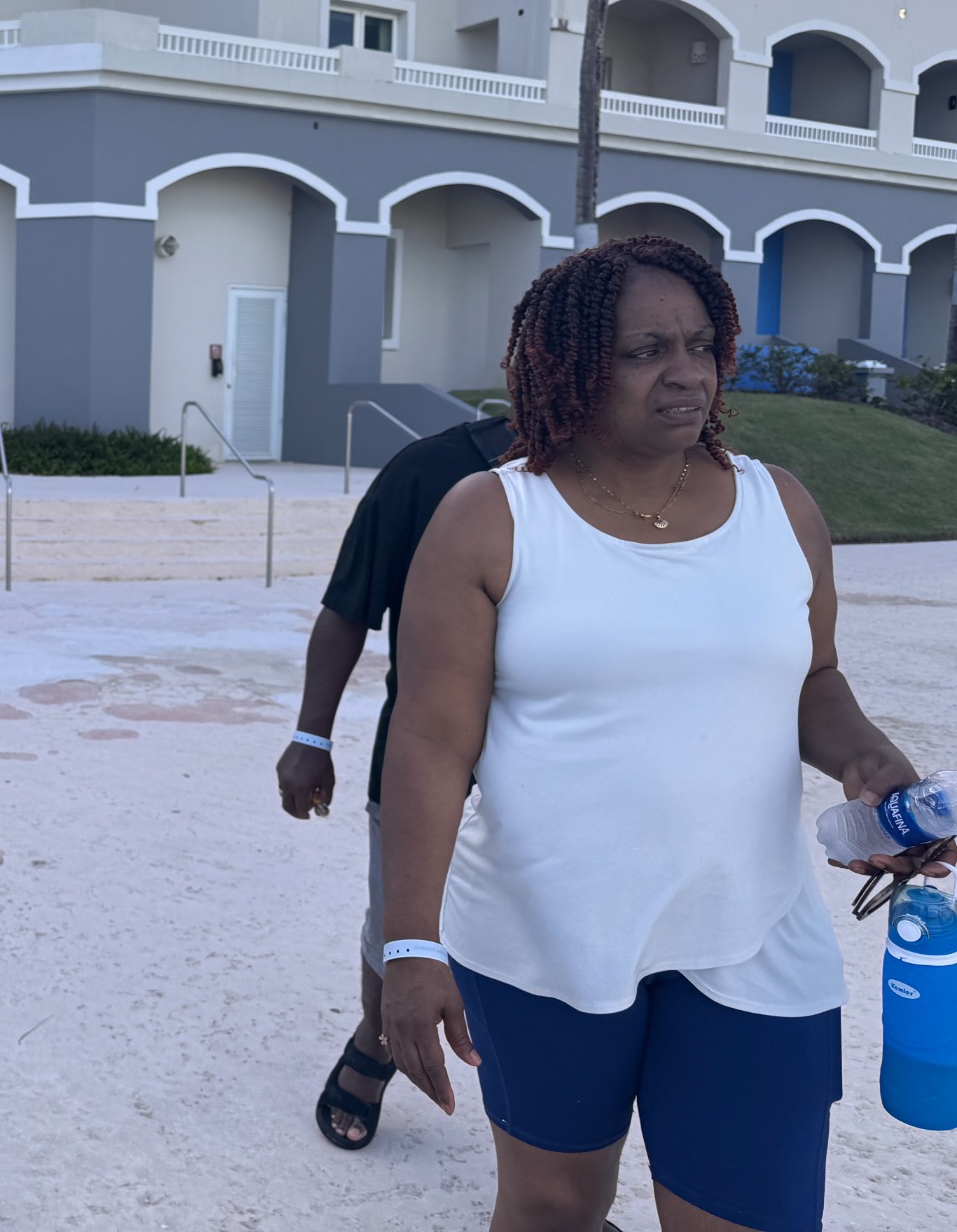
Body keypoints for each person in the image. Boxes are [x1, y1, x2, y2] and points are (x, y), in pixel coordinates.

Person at [379, 235, 950, 1232]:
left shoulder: (780, 507)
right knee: (554, 1206)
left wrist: (866, 762)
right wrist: (410, 945)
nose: (686, 373)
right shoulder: (492, 518)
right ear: (568, 366)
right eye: (644, 351)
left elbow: (812, 679)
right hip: (541, 934)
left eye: (701, 346)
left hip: (751, 931)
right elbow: (431, 743)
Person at [275, 408, 511, 1149]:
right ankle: (376, 1043)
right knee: (400, 925)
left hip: (557, 772)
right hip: (421, 755)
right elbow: (348, 608)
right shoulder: (429, 471)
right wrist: (310, 736)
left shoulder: (632, 481)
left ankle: (547, 1123)